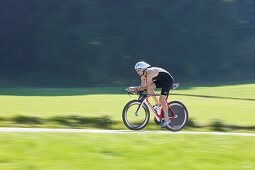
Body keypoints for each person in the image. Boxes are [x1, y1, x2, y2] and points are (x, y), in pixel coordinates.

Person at [127, 61, 174, 128]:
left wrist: (135, 88)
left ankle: (167, 120)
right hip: (160, 81)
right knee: (149, 90)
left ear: (143, 69)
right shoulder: (143, 76)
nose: (137, 72)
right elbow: (143, 88)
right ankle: (158, 104)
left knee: (162, 99)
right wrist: (134, 89)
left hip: (167, 81)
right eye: (136, 70)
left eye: (138, 70)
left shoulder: (150, 72)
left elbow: (147, 86)